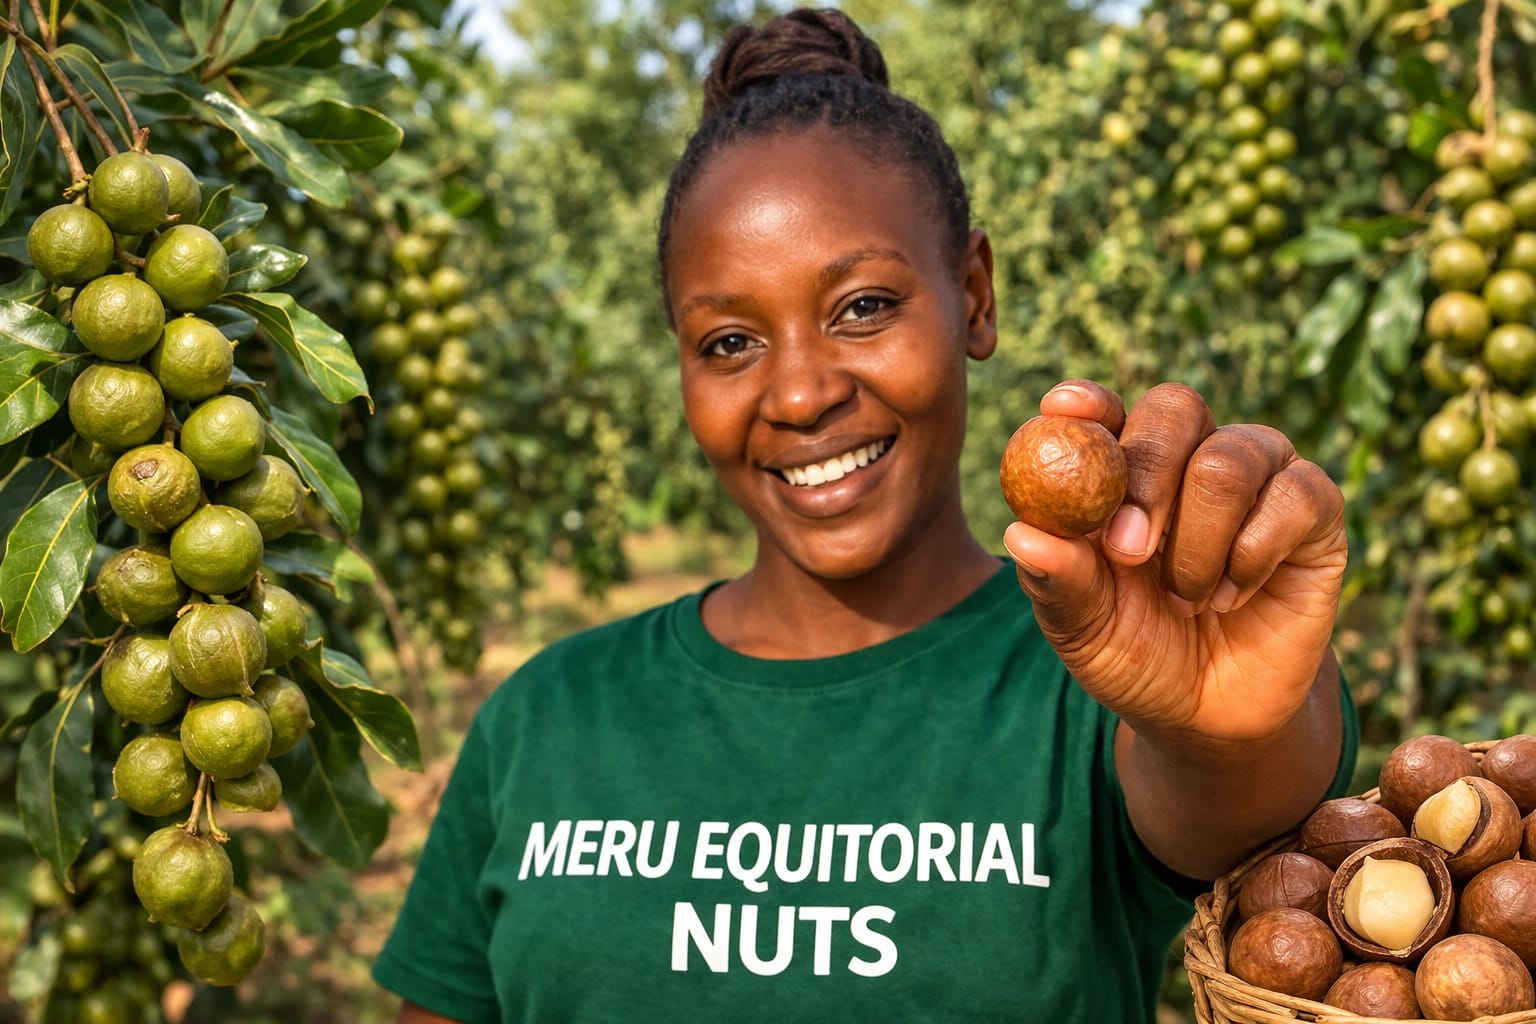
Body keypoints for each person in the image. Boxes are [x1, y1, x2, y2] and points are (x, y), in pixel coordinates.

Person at [372, 8, 1357, 1022]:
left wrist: (1227, 726)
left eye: (862, 308)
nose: (800, 394)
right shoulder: (543, 722)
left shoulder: (1092, 695)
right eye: (727, 343)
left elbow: (1236, 772)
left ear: (972, 294)